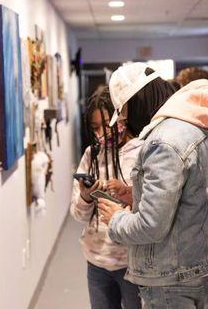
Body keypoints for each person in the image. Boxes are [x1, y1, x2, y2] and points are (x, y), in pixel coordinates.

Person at [97, 63, 208, 309]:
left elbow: (151, 226)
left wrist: (117, 219)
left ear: (135, 102)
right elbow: (197, 194)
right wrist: (136, 195)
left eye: (126, 115)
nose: (128, 125)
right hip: (202, 263)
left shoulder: (164, 141)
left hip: (170, 275)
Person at [69, 87, 141, 309]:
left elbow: (154, 211)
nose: (101, 133)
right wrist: (85, 196)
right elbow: (78, 215)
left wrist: (128, 195)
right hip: (97, 259)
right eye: (95, 128)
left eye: (105, 125)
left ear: (122, 116)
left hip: (133, 262)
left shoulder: (142, 151)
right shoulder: (92, 155)